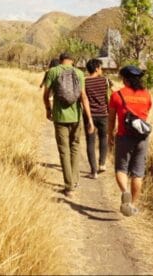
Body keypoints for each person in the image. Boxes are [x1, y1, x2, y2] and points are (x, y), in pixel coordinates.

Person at [42, 52, 95, 197]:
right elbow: (83, 96)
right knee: (75, 148)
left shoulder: (53, 71)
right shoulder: (79, 73)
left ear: (60, 60)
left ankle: (69, 186)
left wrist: (48, 109)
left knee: (64, 151)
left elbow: (46, 95)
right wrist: (89, 119)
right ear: (72, 61)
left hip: (60, 117)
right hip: (76, 117)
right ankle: (75, 180)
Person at [108, 65, 152, 217]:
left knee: (121, 169)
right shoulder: (146, 95)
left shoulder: (117, 95)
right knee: (138, 173)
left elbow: (111, 118)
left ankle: (125, 192)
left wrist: (110, 135)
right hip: (142, 137)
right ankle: (132, 205)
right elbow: (145, 114)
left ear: (124, 79)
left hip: (124, 135)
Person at [83, 58, 110, 179]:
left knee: (90, 142)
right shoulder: (105, 81)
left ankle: (93, 171)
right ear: (96, 68)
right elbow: (108, 97)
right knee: (104, 138)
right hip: (103, 114)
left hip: (90, 116)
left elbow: (83, 99)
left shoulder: (84, 82)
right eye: (101, 67)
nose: (102, 70)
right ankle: (102, 163)